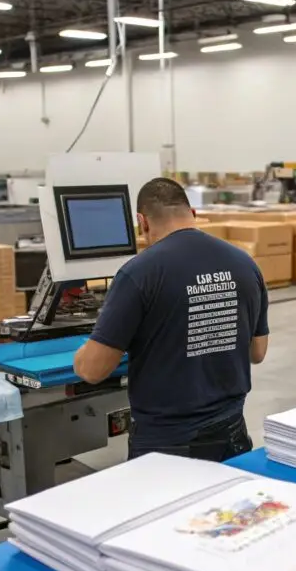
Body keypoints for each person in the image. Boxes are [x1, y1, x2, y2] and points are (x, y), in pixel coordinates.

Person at [73, 177, 269, 462]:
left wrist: (83, 353)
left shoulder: (140, 272)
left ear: (143, 222)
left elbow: (93, 370)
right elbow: (257, 352)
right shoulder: (245, 263)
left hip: (166, 446)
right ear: (192, 214)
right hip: (232, 435)